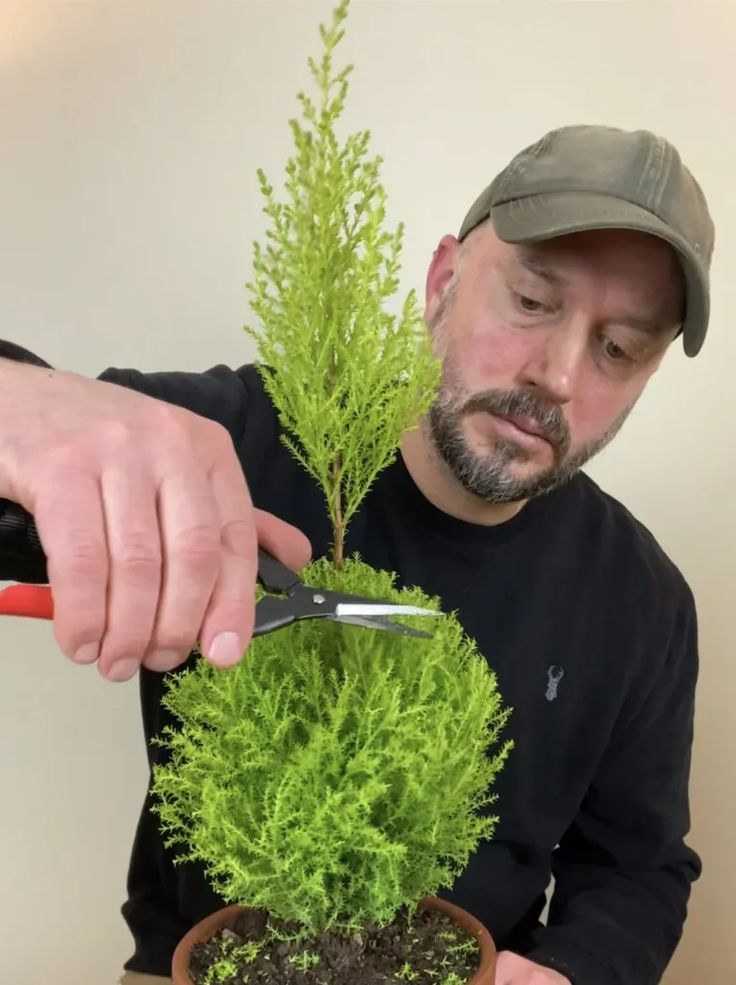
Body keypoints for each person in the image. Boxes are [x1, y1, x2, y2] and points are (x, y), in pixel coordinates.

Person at [0, 124, 714, 985]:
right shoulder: (230, 447)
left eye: (618, 348)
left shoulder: (643, 602)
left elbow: (638, 866)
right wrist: (21, 408)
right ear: (443, 281)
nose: (558, 376)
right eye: (533, 301)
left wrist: (571, 967)